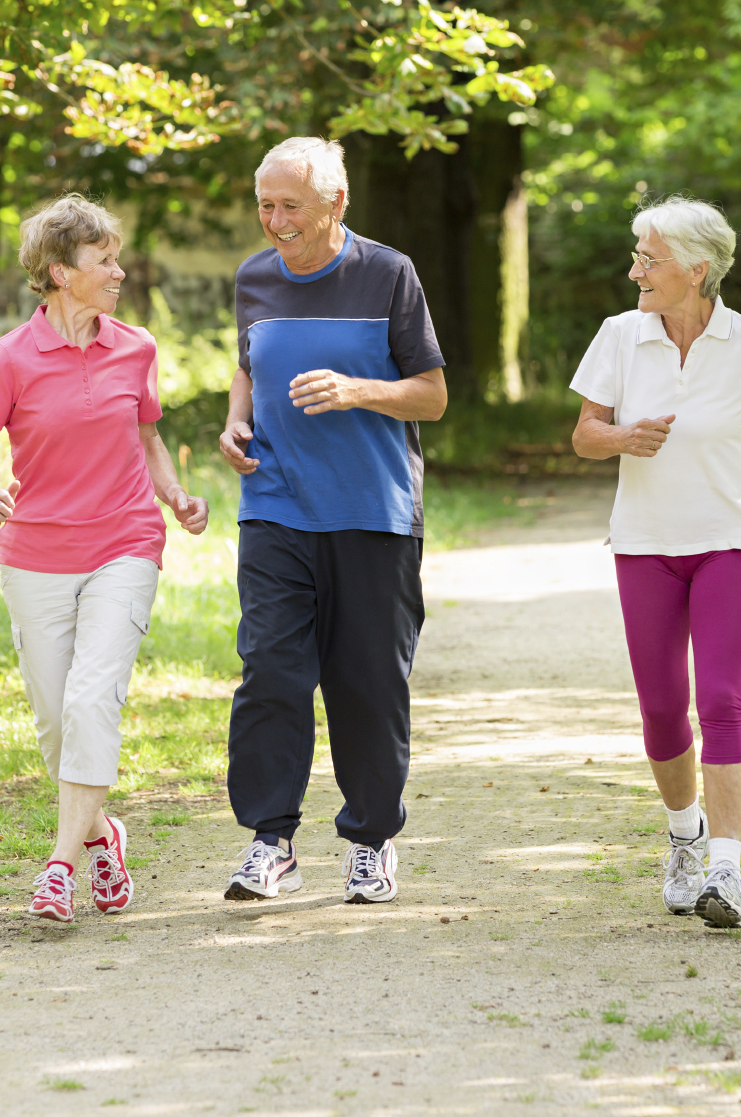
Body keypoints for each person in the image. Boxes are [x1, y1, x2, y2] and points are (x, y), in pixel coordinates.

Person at [569, 195, 741, 928]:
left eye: (647, 260)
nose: (634, 272)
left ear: (696, 268)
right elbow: (584, 435)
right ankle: (683, 837)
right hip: (645, 543)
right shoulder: (620, 336)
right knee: (660, 709)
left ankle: (726, 868)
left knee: (721, 699)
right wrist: (620, 437)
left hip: (729, 540)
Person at [0, 194, 210, 922]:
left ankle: (59, 865)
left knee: (93, 698)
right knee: (57, 722)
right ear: (62, 273)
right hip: (35, 554)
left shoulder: (136, 347)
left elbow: (149, 439)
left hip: (124, 544)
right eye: (104, 262)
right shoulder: (9, 358)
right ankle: (104, 835)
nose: (119, 272)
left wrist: (176, 497)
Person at [217, 137, 447, 905]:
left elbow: (431, 393)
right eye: (265, 206)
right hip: (275, 504)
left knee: (366, 683)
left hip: (373, 510)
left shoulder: (388, 274)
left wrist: (358, 390)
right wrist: (235, 424)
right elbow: (248, 367)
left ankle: (372, 840)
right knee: (271, 673)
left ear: (335, 204)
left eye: (290, 207)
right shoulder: (253, 277)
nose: (275, 222)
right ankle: (270, 841)